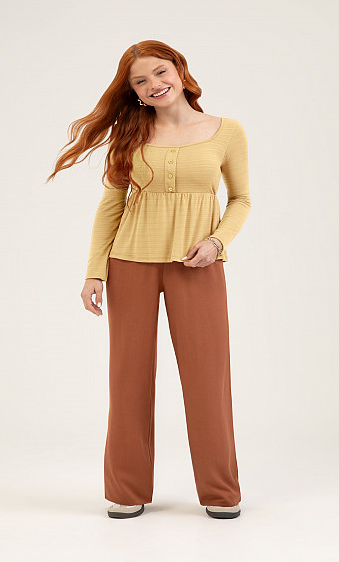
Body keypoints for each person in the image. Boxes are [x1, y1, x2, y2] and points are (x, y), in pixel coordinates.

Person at [47, 40, 251, 520]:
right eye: (140, 81)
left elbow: (241, 199)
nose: (154, 84)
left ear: (179, 69)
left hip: (197, 265)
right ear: (134, 92)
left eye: (160, 72)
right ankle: (127, 488)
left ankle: (221, 492)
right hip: (130, 264)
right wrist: (95, 270)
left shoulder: (227, 131)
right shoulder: (130, 134)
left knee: (208, 379)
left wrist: (217, 242)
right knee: (128, 379)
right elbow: (111, 205)